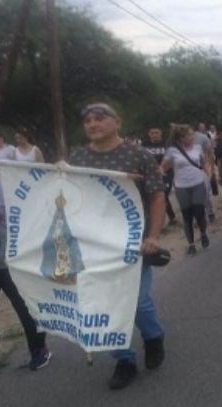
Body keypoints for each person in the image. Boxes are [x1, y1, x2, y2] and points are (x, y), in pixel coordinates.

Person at [69, 103, 166, 389]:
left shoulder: (139, 155)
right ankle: (124, 359)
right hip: (95, 244)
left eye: (100, 118)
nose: (92, 124)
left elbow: (157, 197)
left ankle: (153, 336)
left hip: (134, 243)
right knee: (104, 302)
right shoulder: (78, 157)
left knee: (137, 301)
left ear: (117, 122)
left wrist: (154, 236)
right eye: (87, 120)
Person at [0, 155, 51, 370]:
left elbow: (29, 215)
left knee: (25, 309)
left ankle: (39, 351)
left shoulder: (5, 185)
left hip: (11, 263)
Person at [162, 124, 211, 256]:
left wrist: (209, 173)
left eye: (192, 134)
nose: (192, 137)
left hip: (197, 182)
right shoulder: (172, 151)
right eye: (188, 135)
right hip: (181, 185)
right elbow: (164, 166)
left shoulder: (197, 147)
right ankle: (191, 244)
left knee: (199, 211)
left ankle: (203, 233)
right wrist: (159, 172)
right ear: (180, 138)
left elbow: (203, 161)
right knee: (187, 215)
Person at [142, 127, 177, 226]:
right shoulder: (144, 145)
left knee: (163, 195)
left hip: (166, 173)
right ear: (149, 134)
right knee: (156, 196)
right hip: (151, 174)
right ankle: (171, 217)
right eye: (152, 133)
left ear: (161, 134)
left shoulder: (167, 145)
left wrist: (163, 169)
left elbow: (172, 159)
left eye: (157, 132)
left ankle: (161, 222)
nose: (155, 135)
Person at [194, 123, 216, 223]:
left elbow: (210, 152)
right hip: (190, 171)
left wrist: (212, 168)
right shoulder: (179, 140)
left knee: (206, 192)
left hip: (203, 168)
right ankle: (198, 216)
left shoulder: (202, 138)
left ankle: (210, 211)